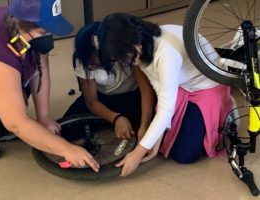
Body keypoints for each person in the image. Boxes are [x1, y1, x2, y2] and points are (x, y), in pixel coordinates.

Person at [0, 0, 99, 172]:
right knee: (0, 117)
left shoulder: (22, 27)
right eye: (44, 31)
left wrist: (44, 116)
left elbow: (39, 69)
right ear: (22, 26)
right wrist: (66, 149)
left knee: (22, 82)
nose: (49, 36)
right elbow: (15, 123)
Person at [96, 13, 233, 177]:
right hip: (182, 86)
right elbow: (160, 91)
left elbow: (165, 109)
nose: (126, 64)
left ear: (136, 44)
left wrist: (138, 153)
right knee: (161, 142)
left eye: (126, 59)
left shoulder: (166, 53)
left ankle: (226, 114)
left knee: (184, 154)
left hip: (207, 88)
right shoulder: (143, 48)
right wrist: (155, 139)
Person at [64, 22, 155, 139]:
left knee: (159, 130)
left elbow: (146, 90)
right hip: (104, 98)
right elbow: (91, 101)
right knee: (66, 130)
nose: (96, 64)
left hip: (134, 96)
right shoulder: (82, 59)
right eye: (93, 64)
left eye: (101, 60)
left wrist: (145, 126)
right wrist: (115, 118)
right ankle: (115, 121)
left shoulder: (126, 52)